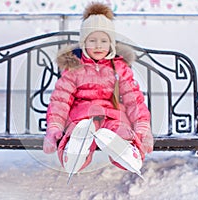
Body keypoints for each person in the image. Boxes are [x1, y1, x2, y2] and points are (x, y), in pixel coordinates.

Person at [43, 2, 153, 173]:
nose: (98, 46)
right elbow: (60, 100)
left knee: (120, 129)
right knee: (79, 131)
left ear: (111, 44)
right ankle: (75, 153)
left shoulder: (119, 67)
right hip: (82, 117)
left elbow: (134, 99)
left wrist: (143, 128)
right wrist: (54, 129)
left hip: (113, 115)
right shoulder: (74, 68)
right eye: (92, 40)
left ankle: (125, 151)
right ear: (83, 43)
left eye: (104, 40)